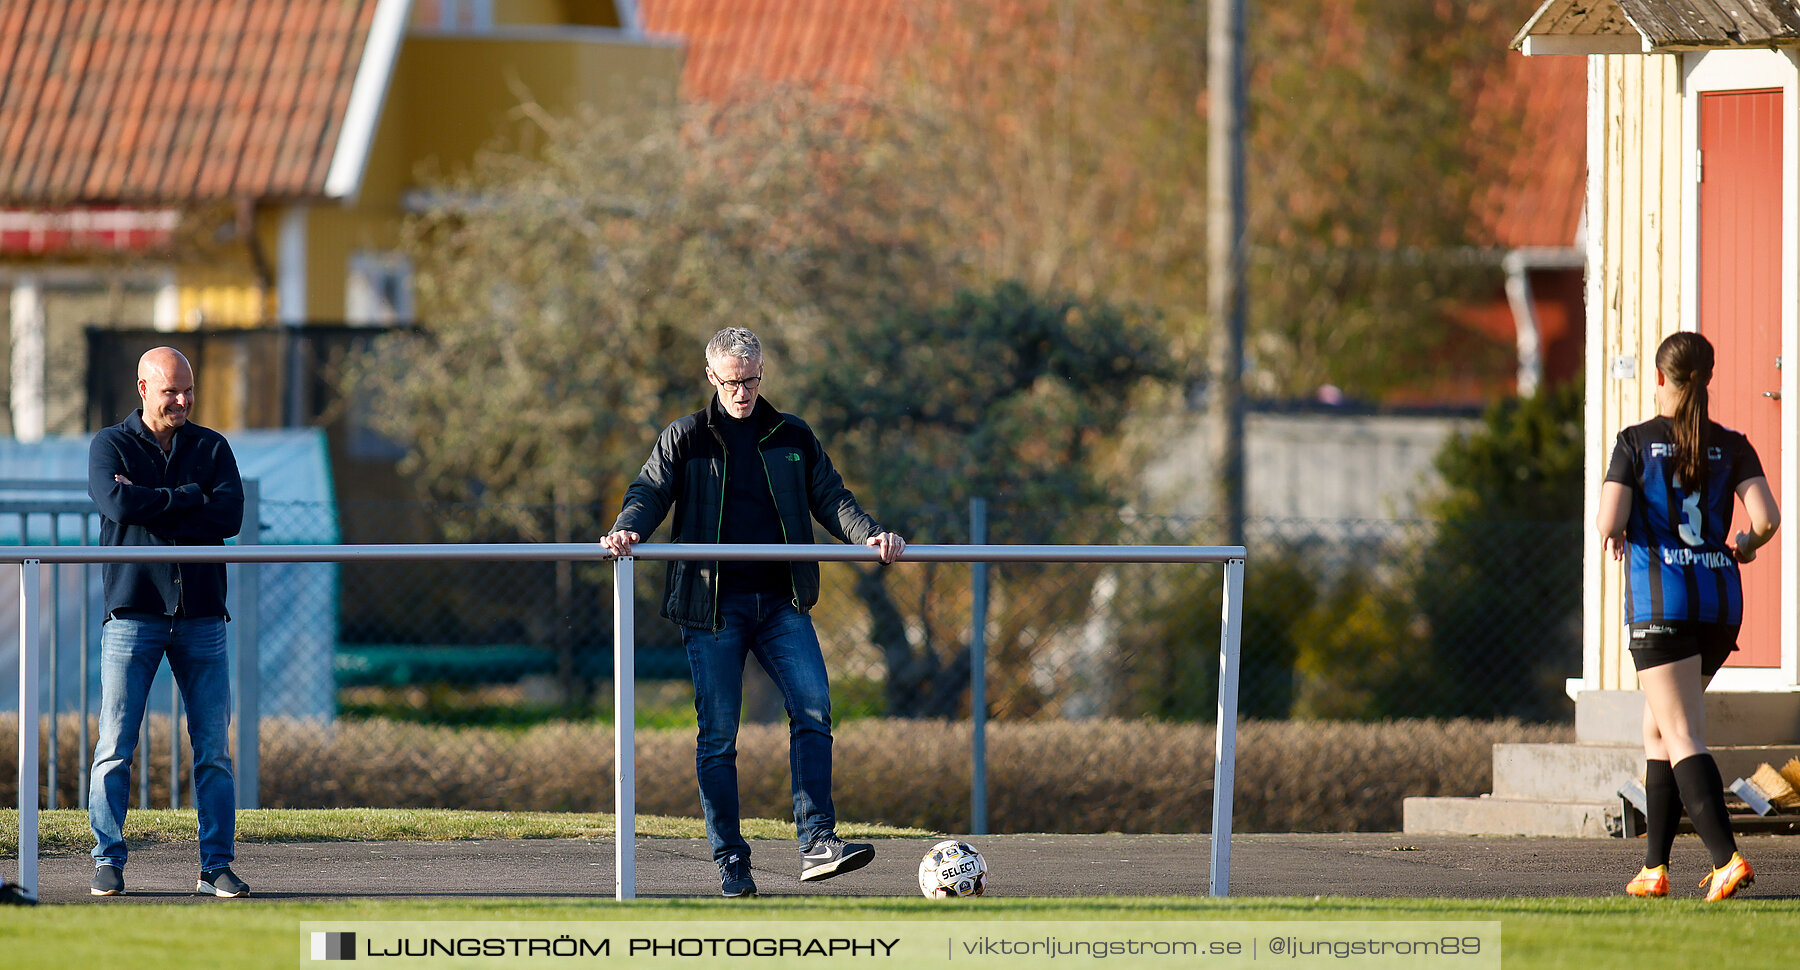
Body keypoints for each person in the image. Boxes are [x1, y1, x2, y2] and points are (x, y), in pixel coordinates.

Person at [602, 327, 905, 897]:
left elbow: (831, 497)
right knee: (718, 734)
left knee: (813, 706)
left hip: (780, 601)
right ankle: (731, 861)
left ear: (762, 374)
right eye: (732, 382)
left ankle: (818, 842)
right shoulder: (686, 437)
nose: (742, 392)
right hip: (711, 605)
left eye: (752, 380)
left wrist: (869, 536)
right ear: (712, 378)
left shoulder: (790, 435)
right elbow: (648, 490)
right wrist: (627, 529)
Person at [1597, 331, 1779, 902]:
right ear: (1709, 377)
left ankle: (1726, 860)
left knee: (1680, 732)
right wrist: (1744, 546)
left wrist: (1622, 528)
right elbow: (1767, 518)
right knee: (1658, 729)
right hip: (1720, 605)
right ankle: (1654, 868)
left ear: (1659, 378)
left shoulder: (1634, 442)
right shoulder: (1734, 444)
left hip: (1663, 604)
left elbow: (1608, 522)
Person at [86, 347, 249, 898]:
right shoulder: (110, 444)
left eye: (188, 390)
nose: (181, 400)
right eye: (169, 391)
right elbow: (117, 506)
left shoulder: (212, 446)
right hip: (133, 611)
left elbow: (229, 516)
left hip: (203, 613)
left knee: (213, 751)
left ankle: (215, 867)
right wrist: (187, 499)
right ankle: (107, 860)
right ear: (142, 389)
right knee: (115, 745)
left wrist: (154, 500)